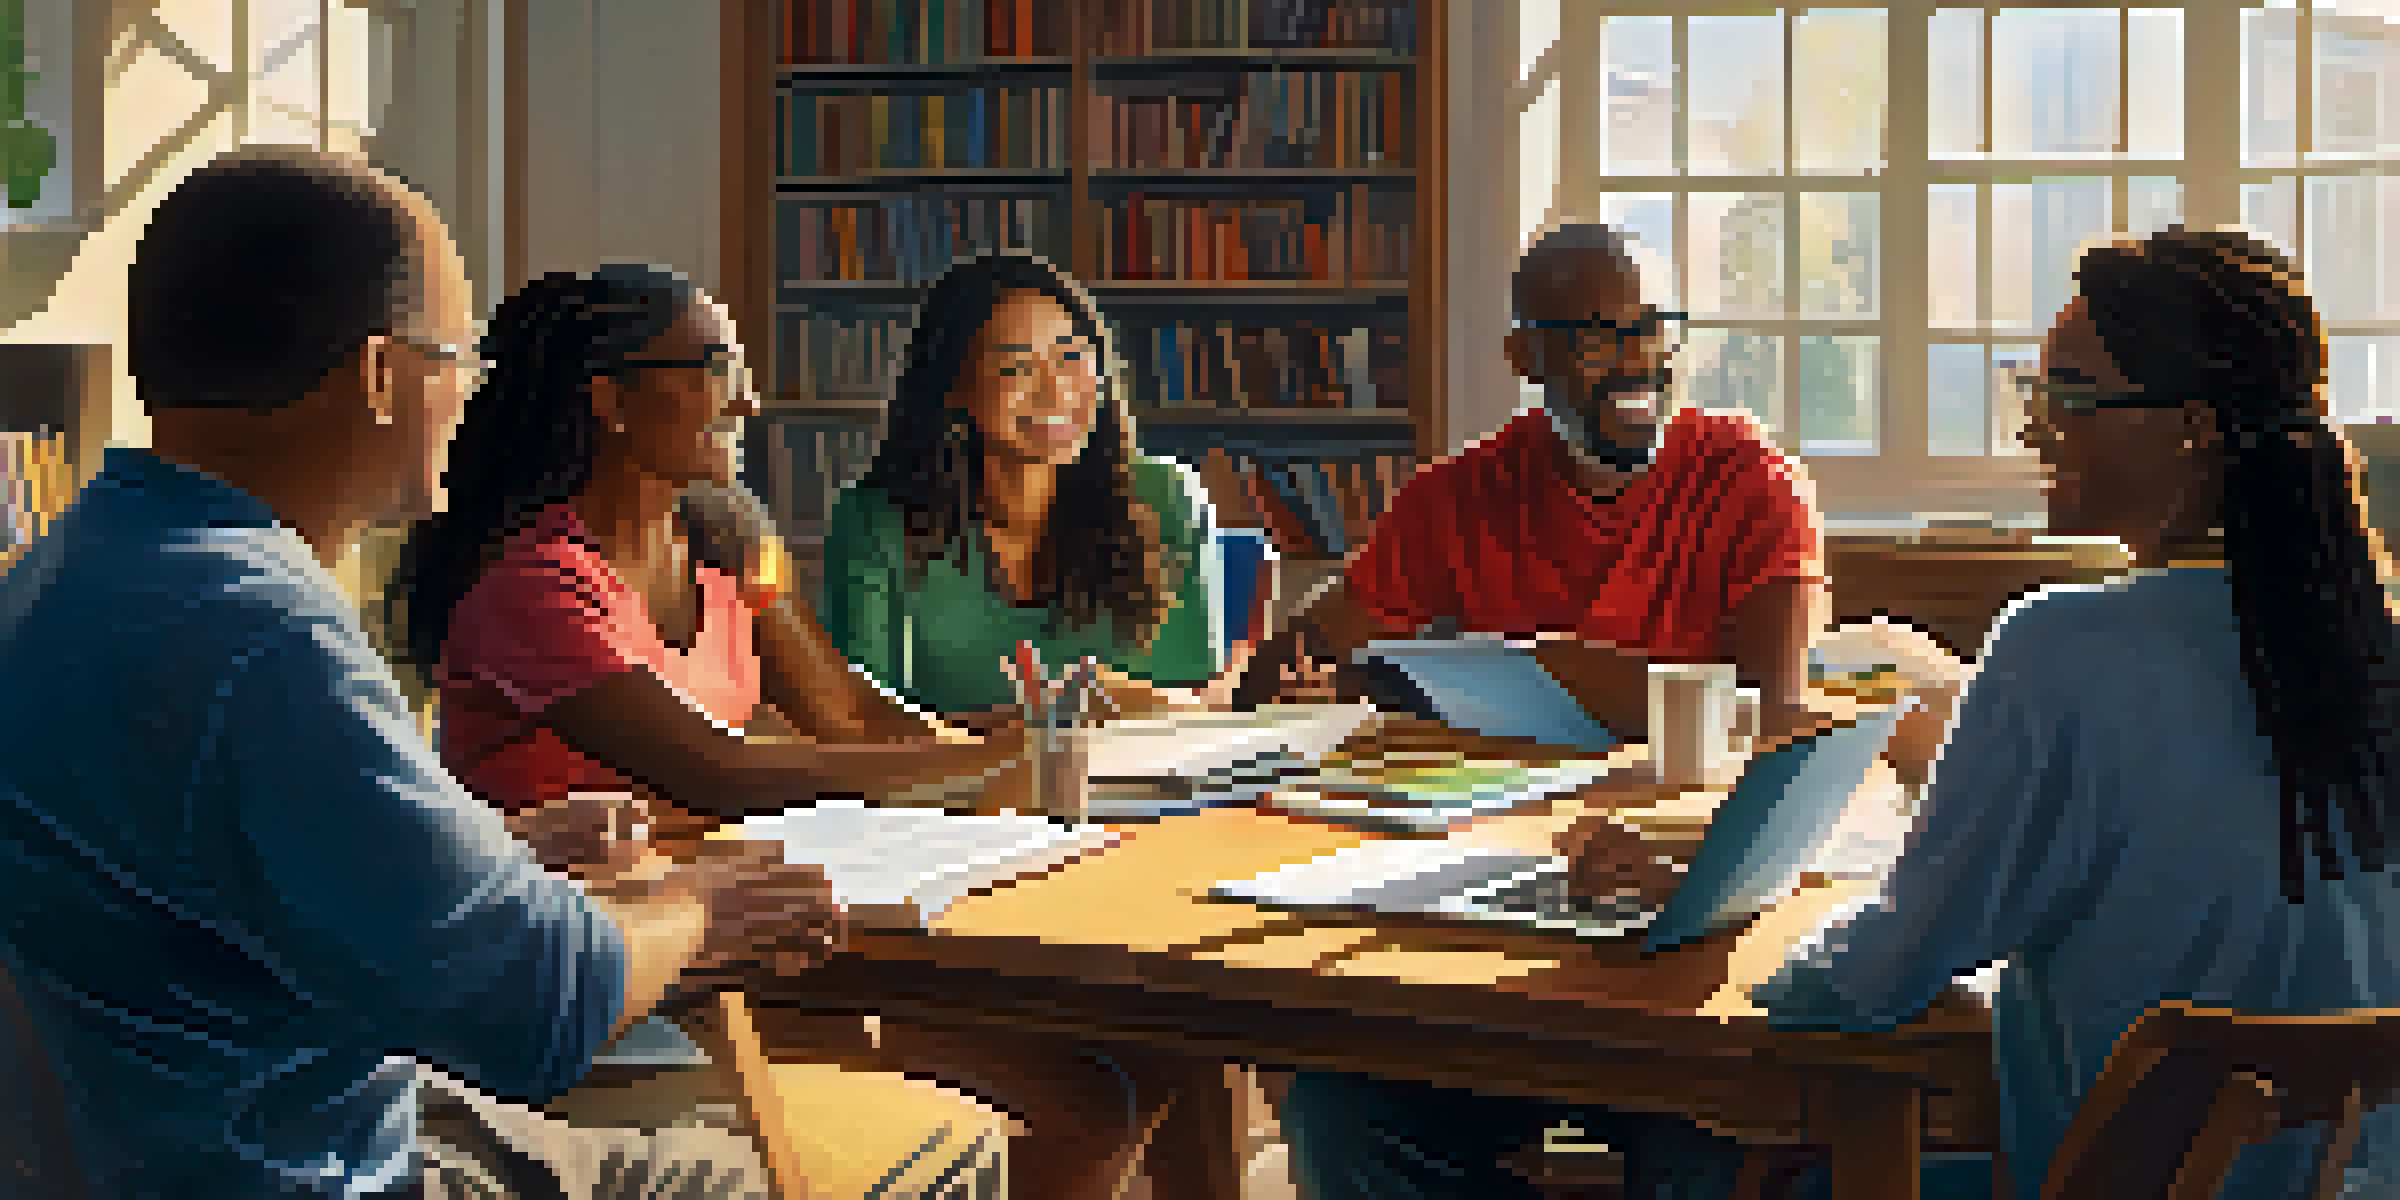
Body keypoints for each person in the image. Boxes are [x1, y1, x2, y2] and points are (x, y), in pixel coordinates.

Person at [0, 146, 840, 1199]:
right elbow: (533, 1004)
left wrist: (486, 852)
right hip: (294, 1168)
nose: (466, 398)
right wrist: (708, 905)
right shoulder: (267, 634)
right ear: (383, 376)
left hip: (158, 1142)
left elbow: (202, 875)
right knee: (822, 1165)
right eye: (457, 360)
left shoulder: (70, 569)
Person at [397, 261, 1215, 1200]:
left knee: (1153, 1059)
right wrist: (1013, 756)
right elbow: (721, 772)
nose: (744, 401)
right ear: (610, 400)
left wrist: (1026, 745)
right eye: (711, 367)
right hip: (617, 972)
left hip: (757, 929)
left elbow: (844, 710)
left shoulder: (725, 541)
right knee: (1085, 1098)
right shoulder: (536, 588)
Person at [1266, 222, 1977, 1200]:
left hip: (1681, 908)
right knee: (1337, 1112)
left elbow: (1767, 713)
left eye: (1653, 329)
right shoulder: (1461, 493)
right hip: (1495, 912)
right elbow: (1298, 657)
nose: (1637, 361)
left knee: (1717, 1142)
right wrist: (1306, 684)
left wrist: (1554, 666)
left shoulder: (1748, 480)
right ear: (1525, 356)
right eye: (1597, 338)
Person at [1751, 225, 2400, 1199]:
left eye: (2068, 397)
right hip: (2344, 1182)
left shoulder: (2065, 646)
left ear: (2191, 428)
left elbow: (1868, 982)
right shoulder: (2370, 645)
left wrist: (1755, 948)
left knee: (1751, 1168)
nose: (2032, 427)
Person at [823, 249, 1277, 720]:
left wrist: (1082, 705)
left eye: (1071, 357)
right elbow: (861, 722)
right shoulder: (874, 523)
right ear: (954, 389)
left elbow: (1189, 706)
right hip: (957, 788)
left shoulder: (1164, 494)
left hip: (1139, 786)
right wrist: (1052, 716)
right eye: (1016, 367)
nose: (1054, 390)